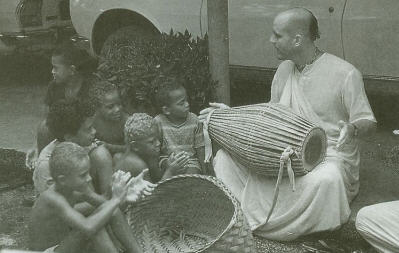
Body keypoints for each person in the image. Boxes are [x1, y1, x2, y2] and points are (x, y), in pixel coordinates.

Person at [199, 7, 377, 241]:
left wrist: (352, 129)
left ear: (297, 40)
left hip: (328, 155)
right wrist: (232, 115)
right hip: (281, 151)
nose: (271, 40)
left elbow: (369, 121)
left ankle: (289, 223)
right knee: (225, 159)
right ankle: (248, 214)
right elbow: (271, 115)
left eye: (277, 35)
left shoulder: (345, 73)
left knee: (328, 180)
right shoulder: (284, 70)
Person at [29, 141, 153, 253]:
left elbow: (108, 205)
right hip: (48, 251)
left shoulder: (77, 189)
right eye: (83, 175)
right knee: (93, 230)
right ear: (62, 180)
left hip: (64, 245)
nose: (89, 178)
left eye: (88, 172)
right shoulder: (53, 198)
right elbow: (88, 228)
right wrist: (116, 199)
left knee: (110, 211)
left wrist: (125, 192)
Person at [26, 42, 97, 169]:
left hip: (85, 134)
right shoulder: (53, 87)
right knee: (44, 127)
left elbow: (94, 121)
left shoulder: (90, 87)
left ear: (72, 70)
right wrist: (35, 146)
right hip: (64, 135)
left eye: (56, 68)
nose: (52, 71)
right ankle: (44, 167)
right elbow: (46, 119)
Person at [33, 99, 113, 195]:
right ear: (69, 137)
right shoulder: (47, 164)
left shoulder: (85, 145)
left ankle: (109, 196)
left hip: (85, 196)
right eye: (89, 129)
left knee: (101, 153)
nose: (94, 131)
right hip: (62, 206)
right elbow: (52, 206)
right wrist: (104, 200)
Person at [114, 113, 190, 183]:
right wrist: (170, 171)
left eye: (157, 138)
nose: (158, 143)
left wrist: (169, 165)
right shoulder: (137, 164)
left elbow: (157, 178)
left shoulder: (150, 155)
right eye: (151, 142)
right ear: (135, 146)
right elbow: (153, 196)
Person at [154, 77, 205, 174]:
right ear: (166, 110)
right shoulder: (158, 122)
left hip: (190, 162)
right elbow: (155, 150)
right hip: (167, 160)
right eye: (181, 103)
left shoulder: (194, 120)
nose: (187, 104)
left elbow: (200, 149)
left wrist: (207, 174)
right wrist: (167, 163)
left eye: (186, 100)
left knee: (192, 176)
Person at [88, 77, 127, 154]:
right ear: (97, 108)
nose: (117, 109)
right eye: (110, 107)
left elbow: (134, 148)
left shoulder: (127, 122)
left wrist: (110, 147)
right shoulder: (92, 123)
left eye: (119, 104)